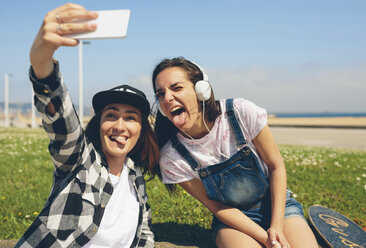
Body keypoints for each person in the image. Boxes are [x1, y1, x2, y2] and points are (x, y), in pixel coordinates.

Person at [15, 3, 159, 248]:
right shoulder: (79, 162)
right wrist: (42, 65)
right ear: (99, 123)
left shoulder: (135, 176)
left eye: (131, 117)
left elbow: (143, 232)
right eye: (111, 115)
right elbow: (64, 126)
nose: (120, 125)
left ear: (142, 130)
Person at [152, 57, 318, 248]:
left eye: (176, 88)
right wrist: (267, 239)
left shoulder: (240, 112)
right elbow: (217, 207)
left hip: (277, 208)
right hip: (232, 223)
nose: (167, 98)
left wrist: (277, 227)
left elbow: (276, 166)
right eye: (161, 93)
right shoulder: (171, 158)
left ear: (201, 89)